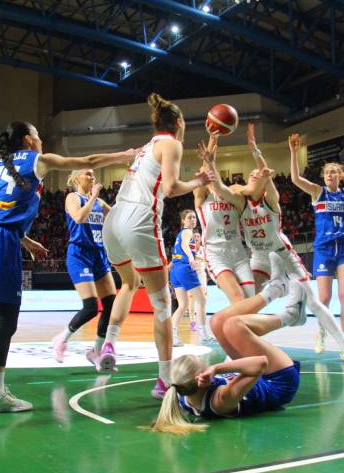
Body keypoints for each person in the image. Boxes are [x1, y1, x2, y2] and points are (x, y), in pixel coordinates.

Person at [0, 121, 135, 431]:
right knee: (4, 323)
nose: (41, 140)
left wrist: (25, 239)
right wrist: (126, 154)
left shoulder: (1, 165)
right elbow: (89, 162)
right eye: (38, 136)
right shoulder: (35, 160)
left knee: (4, 319)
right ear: (28, 140)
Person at [96, 94, 215, 400]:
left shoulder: (147, 147)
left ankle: (108, 343)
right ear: (178, 123)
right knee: (162, 306)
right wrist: (199, 181)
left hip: (114, 221)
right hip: (139, 220)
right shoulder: (171, 144)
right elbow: (171, 188)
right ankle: (163, 382)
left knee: (128, 283)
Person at [236, 125, 344, 370]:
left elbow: (277, 176)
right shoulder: (238, 200)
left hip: (282, 250)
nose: (255, 177)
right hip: (258, 256)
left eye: (258, 176)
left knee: (317, 300)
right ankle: (252, 340)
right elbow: (217, 188)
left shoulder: (270, 197)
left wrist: (254, 149)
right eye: (251, 176)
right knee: (247, 301)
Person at [150, 275, 306, 434]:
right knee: (234, 325)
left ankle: (276, 289)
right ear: (199, 378)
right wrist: (217, 369)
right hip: (278, 382)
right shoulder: (220, 401)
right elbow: (260, 363)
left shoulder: (184, 391)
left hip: (256, 374)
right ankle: (291, 315)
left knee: (217, 321)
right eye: (203, 364)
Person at [288, 134, 344, 352]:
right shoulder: (318, 192)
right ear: (324, 177)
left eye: (333, 172)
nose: (329, 175)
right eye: (326, 172)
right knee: (324, 299)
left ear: (339, 176)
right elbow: (296, 179)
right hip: (324, 249)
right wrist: (293, 151)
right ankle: (321, 332)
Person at [51, 169, 118, 367]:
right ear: (76, 178)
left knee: (111, 304)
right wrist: (94, 196)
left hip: (99, 254)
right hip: (79, 254)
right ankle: (61, 339)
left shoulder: (98, 202)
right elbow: (79, 217)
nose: (92, 176)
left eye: (93, 174)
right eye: (87, 173)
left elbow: (115, 216)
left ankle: (96, 351)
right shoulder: (73, 197)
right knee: (90, 308)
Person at [193, 136, 255, 304]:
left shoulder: (234, 195)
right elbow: (205, 170)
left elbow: (249, 189)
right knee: (238, 297)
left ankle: (230, 327)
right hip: (215, 253)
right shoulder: (202, 197)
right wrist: (212, 141)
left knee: (250, 301)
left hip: (238, 252)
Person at [168, 210, 210, 345]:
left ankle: (172, 335)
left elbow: (181, 250)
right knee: (202, 300)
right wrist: (191, 259)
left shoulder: (180, 234)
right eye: (189, 217)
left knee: (183, 305)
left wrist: (200, 258)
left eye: (194, 217)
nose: (193, 219)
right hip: (184, 268)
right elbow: (184, 245)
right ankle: (204, 334)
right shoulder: (187, 232)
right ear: (183, 221)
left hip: (175, 269)